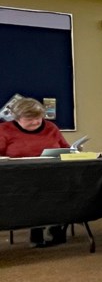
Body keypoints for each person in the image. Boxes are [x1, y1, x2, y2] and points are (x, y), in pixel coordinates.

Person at [0, 97, 70, 245]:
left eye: (38, 118)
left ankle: (56, 227)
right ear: (17, 118)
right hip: (17, 178)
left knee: (66, 188)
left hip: (51, 174)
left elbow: (66, 148)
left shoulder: (50, 127)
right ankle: (37, 230)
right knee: (38, 192)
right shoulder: (4, 130)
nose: (35, 122)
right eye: (29, 119)